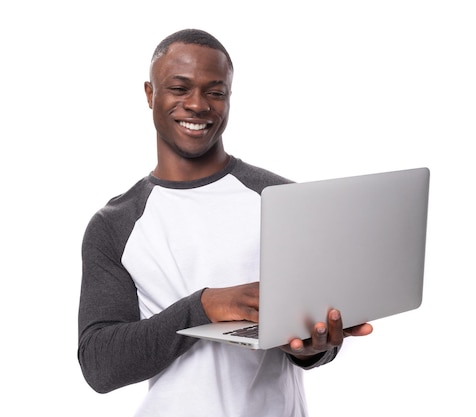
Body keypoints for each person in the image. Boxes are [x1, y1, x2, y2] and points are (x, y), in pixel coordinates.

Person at [78, 28, 373, 417]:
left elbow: (316, 333)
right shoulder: (115, 224)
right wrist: (202, 306)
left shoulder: (283, 201)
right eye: (179, 88)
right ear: (150, 95)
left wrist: (314, 351)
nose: (198, 105)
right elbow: (101, 365)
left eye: (215, 92)